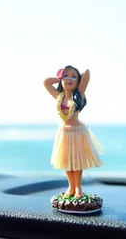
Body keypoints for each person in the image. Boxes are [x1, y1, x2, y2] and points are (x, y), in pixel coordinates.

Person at [44, 65, 104, 198]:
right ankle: (70, 186)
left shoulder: (78, 95)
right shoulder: (59, 96)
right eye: (65, 76)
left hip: (77, 132)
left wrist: (79, 79)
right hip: (64, 133)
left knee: (76, 161)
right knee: (67, 161)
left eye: (73, 77)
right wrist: (60, 77)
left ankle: (78, 187)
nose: (69, 79)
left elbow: (87, 73)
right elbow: (46, 82)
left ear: (78, 81)